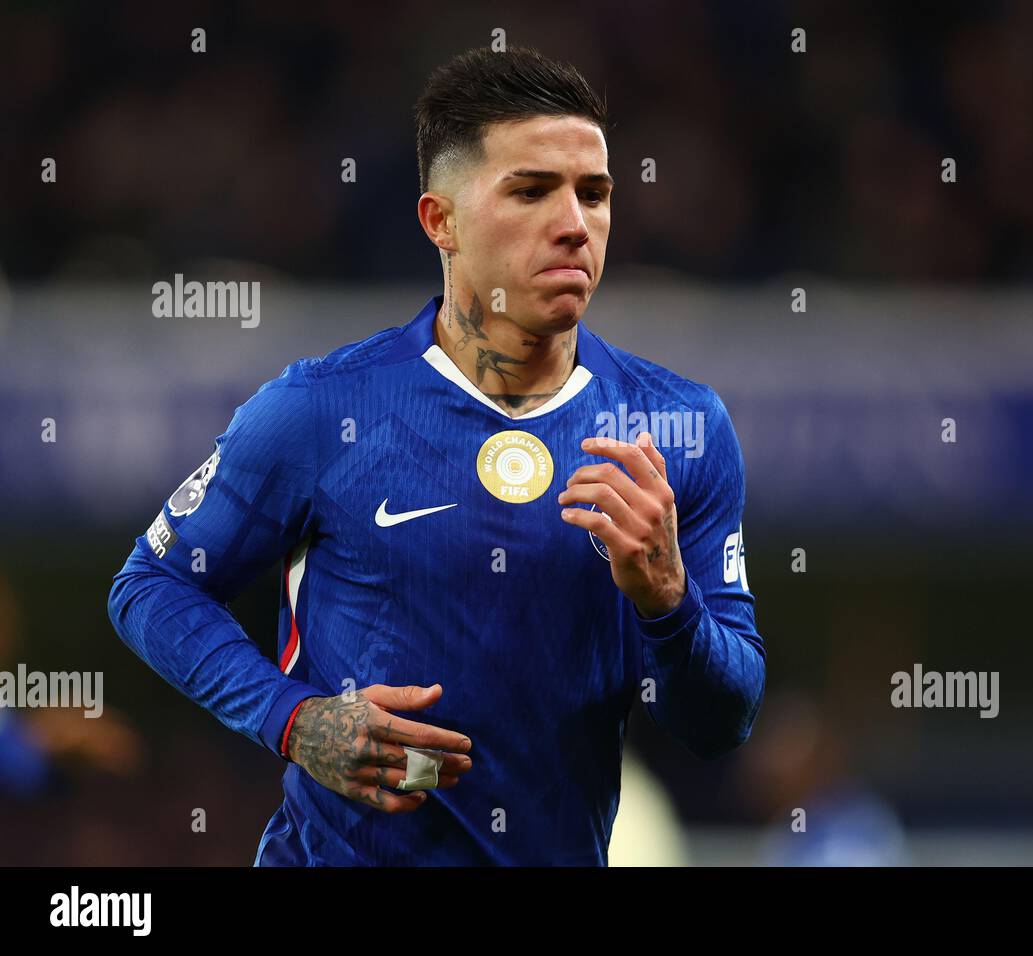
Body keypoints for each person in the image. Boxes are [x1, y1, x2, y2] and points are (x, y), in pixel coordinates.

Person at [108, 46, 764, 865]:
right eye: (531, 191)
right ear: (440, 221)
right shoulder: (321, 409)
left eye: (593, 194)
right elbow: (152, 585)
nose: (574, 223)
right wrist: (295, 720)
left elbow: (721, 722)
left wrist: (669, 603)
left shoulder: (677, 428)